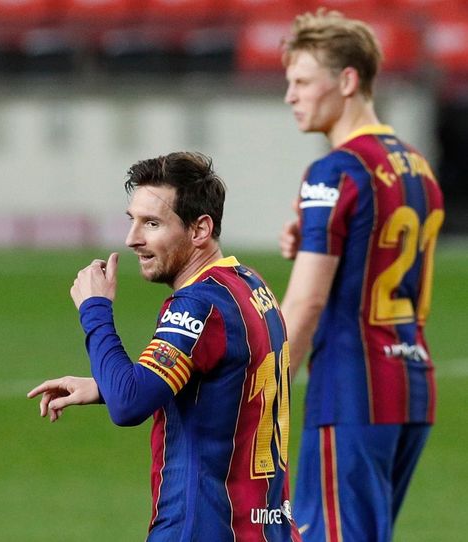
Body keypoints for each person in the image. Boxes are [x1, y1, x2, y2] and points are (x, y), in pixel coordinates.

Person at [28, 152, 301, 541]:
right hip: (268, 527)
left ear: (200, 230)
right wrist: (105, 384)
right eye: (132, 221)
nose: (132, 239)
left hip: (204, 526)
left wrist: (95, 309)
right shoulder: (249, 284)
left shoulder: (198, 304)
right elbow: (224, 380)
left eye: (152, 223)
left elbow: (130, 405)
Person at [279, 9, 445, 542]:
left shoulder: (335, 171)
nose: (291, 95)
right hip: (410, 387)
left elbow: (304, 305)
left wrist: (268, 391)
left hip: (351, 389)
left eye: (302, 81)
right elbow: (378, 257)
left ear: (347, 80)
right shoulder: (418, 166)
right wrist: (308, 243)